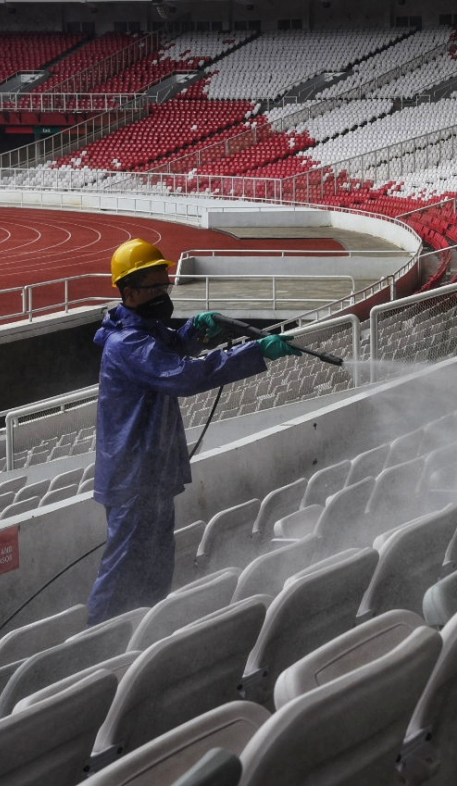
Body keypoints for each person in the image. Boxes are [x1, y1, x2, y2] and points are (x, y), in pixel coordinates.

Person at [87, 238, 301, 625]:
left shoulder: (143, 332)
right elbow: (182, 374)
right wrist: (254, 353)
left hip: (152, 475)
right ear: (130, 292)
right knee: (121, 575)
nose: (164, 294)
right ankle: (93, 647)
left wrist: (192, 332)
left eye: (166, 285)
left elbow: (169, 347)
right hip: (133, 480)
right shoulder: (127, 344)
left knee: (155, 569)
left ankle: (143, 634)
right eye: (156, 287)